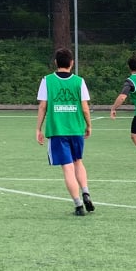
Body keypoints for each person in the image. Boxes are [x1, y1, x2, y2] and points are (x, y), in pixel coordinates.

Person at [36, 47, 95, 217]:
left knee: (68, 168)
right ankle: (86, 192)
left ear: (56, 62)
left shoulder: (47, 80)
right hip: (76, 129)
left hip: (57, 131)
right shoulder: (79, 81)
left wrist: (38, 128)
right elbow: (85, 108)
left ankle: (78, 205)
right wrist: (88, 125)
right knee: (78, 162)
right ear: (72, 63)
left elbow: (43, 106)